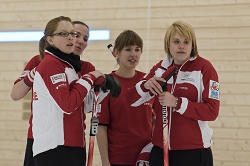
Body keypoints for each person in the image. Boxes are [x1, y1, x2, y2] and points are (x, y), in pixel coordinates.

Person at [10, 16, 102, 166]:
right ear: (51, 39)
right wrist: (35, 73)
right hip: (44, 138)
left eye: (85, 38)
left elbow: (86, 106)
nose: (77, 40)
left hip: (73, 140)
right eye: (75, 34)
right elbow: (15, 94)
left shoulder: (86, 68)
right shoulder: (42, 61)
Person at [127, 21, 220, 166]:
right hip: (160, 150)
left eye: (186, 42)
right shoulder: (160, 68)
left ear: (192, 45)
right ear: (168, 44)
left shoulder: (204, 68)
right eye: (176, 41)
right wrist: (145, 86)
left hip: (193, 151)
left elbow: (212, 111)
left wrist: (177, 103)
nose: (181, 46)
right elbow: (131, 99)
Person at [96, 30, 154, 166]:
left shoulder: (148, 82)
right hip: (118, 159)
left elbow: (155, 120)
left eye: (137, 49)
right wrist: (105, 161)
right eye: (128, 49)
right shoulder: (107, 84)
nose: (134, 54)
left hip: (146, 157)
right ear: (116, 53)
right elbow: (101, 127)